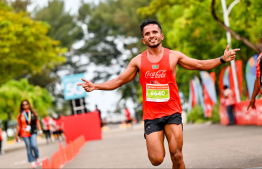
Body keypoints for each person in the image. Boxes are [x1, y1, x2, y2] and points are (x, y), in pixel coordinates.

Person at [77, 19, 240, 168]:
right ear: (143, 40)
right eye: (147, 34)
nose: (151, 36)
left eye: (154, 32)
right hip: (152, 116)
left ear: (161, 36)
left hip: (172, 112)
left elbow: (198, 64)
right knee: (156, 160)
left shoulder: (174, 56)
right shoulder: (138, 61)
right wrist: (96, 86)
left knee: (177, 155)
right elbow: (119, 80)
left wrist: (222, 59)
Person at [15, 100, 43, 168]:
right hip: (24, 133)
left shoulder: (33, 112)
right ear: (21, 106)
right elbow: (18, 125)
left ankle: (37, 158)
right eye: (23, 105)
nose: (25, 106)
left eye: (26, 104)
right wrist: (16, 135)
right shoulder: (20, 114)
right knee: (28, 147)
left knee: (34, 145)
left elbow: (37, 122)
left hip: (33, 131)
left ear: (29, 105)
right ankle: (32, 161)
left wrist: (40, 130)